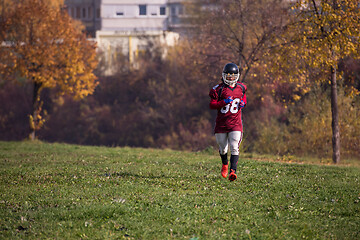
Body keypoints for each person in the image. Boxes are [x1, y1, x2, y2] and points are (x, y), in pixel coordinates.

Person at [209, 63, 247, 181]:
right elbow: (212, 105)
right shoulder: (218, 89)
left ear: (237, 76)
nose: (230, 78)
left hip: (235, 123)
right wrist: (223, 102)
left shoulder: (241, 87)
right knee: (223, 149)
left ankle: (233, 171)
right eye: (228, 76)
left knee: (234, 146)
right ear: (224, 75)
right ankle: (225, 164)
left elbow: (243, 97)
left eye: (233, 76)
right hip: (221, 124)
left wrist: (243, 103)